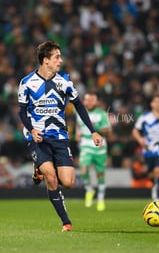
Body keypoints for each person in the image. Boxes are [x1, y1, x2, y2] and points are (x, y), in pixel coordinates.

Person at [18, 40, 103, 232]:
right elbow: (21, 112)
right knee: (51, 177)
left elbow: (79, 106)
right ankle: (66, 221)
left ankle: (40, 168)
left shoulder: (64, 81)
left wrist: (93, 131)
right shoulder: (27, 83)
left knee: (69, 182)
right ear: (45, 60)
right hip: (37, 137)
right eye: (57, 57)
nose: (61, 60)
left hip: (60, 136)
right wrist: (31, 130)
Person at [132, 95, 159, 202]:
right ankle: (155, 186)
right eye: (155, 102)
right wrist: (140, 139)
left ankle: (157, 197)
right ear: (151, 104)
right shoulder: (145, 117)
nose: (158, 104)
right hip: (148, 149)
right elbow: (135, 131)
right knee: (149, 173)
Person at [75, 92, 111, 211]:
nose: (89, 102)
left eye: (92, 100)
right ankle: (89, 190)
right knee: (84, 168)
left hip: (99, 145)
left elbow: (108, 131)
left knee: (100, 173)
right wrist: (78, 133)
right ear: (84, 101)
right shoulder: (79, 112)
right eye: (87, 100)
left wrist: (98, 127)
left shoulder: (102, 114)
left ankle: (100, 198)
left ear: (96, 102)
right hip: (86, 143)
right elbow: (79, 126)